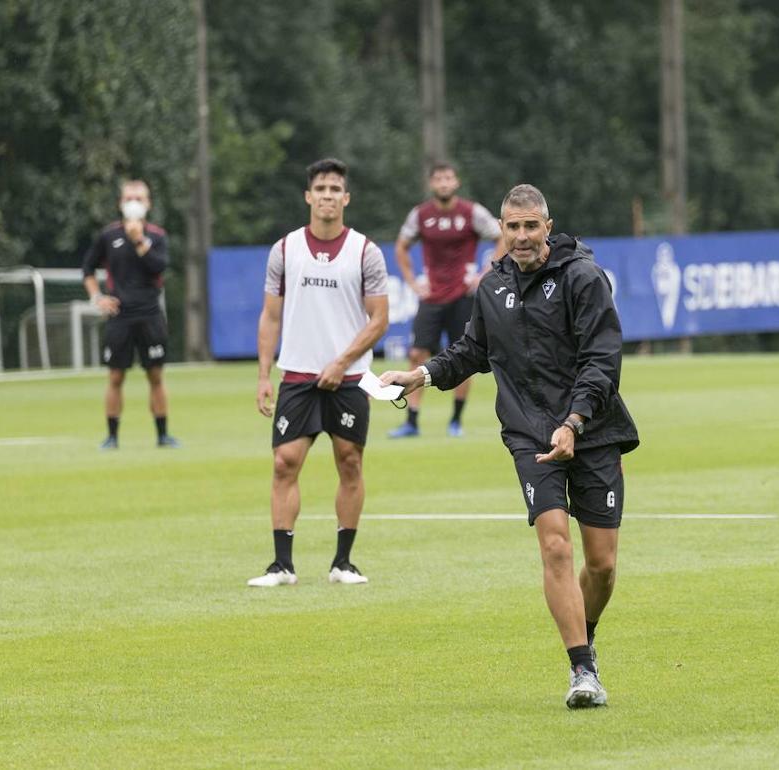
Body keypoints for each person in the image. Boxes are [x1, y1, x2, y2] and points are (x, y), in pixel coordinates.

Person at [381, 184, 639, 709]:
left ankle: (585, 636)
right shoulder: (492, 287)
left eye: (530, 226)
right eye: (511, 227)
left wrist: (574, 421)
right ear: (500, 229)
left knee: (604, 565)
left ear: (548, 226)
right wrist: (424, 374)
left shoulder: (583, 278)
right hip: (528, 433)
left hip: (593, 430)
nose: (520, 237)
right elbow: (474, 350)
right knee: (554, 544)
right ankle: (581, 670)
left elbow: (602, 360)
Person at [249, 157, 390, 587]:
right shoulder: (285, 250)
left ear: (346, 198)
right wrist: (262, 374)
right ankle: (282, 565)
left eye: (335, 189)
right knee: (283, 463)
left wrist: (342, 362)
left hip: (348, 378)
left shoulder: (366, 252)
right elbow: (270, 316)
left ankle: (343, 562)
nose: (328, 196)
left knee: (349, 462)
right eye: (321, 189)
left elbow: (379, 319)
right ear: (308, 196)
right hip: (298, 374)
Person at [388, 163, 505, 438]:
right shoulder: (421, 215)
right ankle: (412, 421)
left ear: (456, 182)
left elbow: (502, 237)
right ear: (431, 184)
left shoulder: (471, 212)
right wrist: (412, 282)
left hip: (464, 296)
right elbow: (401, 247)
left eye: (448, 178)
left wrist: (484, 273)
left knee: (464, 356)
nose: (443, 183)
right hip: (432, 296)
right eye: (438, 178)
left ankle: (455, 420)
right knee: (417, 353)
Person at [82, 180, 180, 449]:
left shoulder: (157, 236)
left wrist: (139, 241)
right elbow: (88, 269)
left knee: (156, 376)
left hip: (150, 314)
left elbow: (159, 267)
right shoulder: (108, 236)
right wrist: (97, 298)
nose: (133, 202)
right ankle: (112, 436)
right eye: (129, 198)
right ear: (120, 203)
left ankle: (163, 434)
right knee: (115, 376)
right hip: (120, 315)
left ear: (148, 204)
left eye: (139, 197)